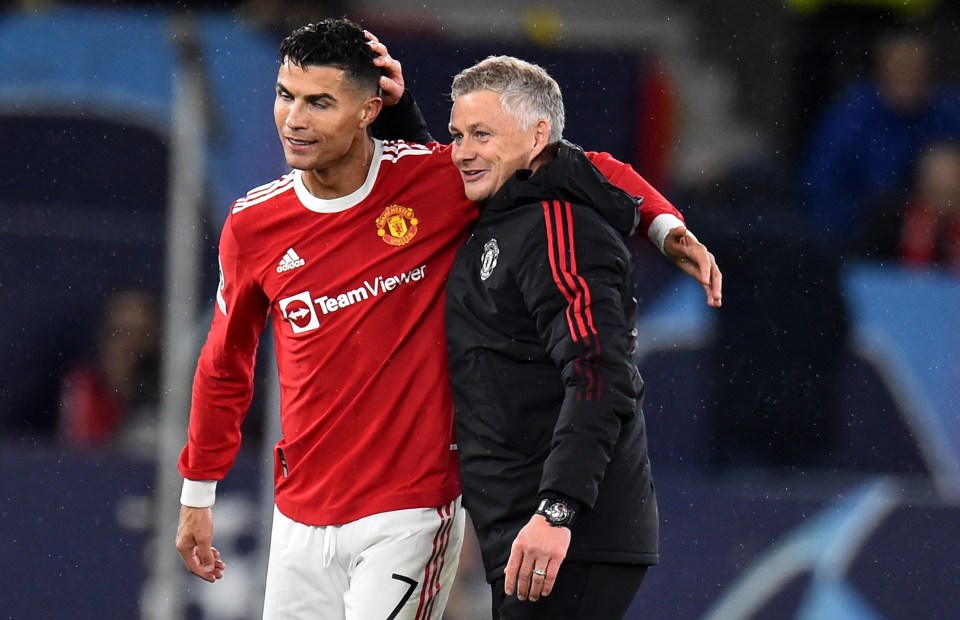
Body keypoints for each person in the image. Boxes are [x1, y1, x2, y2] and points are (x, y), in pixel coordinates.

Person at [175, 18, 720, 619]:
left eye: (320, 102)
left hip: (409, 512)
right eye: (287, 96)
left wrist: (664, 225)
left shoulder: (437, 181)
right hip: (298, 514)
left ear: (368, 109)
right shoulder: (255, 223)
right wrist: (199, 489)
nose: (295, 119)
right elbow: (226, 363)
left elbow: (579, 166)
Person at [441, 56, 710, 619]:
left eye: (481, 134)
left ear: (538, 136)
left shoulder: (558, 225)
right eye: (457, 135)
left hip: (563, 532)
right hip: (521, 526)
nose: (462, 151)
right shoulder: (504, 215)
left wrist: (557, 509)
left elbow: (599, 371)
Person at [800, 30, 960, 253]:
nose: (908, 76)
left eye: (915, 69)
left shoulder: (948, 113)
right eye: (900, 67)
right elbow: (821, 188)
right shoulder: (850, 118)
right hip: (864, 238)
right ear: (881, 70)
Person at [57, 286, 160, 453]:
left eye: (141, 334)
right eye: (122, 333)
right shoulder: (86, 387)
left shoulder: (174, 393)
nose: (131, 345)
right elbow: (83, 457)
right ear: (104, 337)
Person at [898, 141, 960, 274]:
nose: (943, 204)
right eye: (936, 192)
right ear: (922, 189)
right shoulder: (894, 221)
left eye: (950, 194)